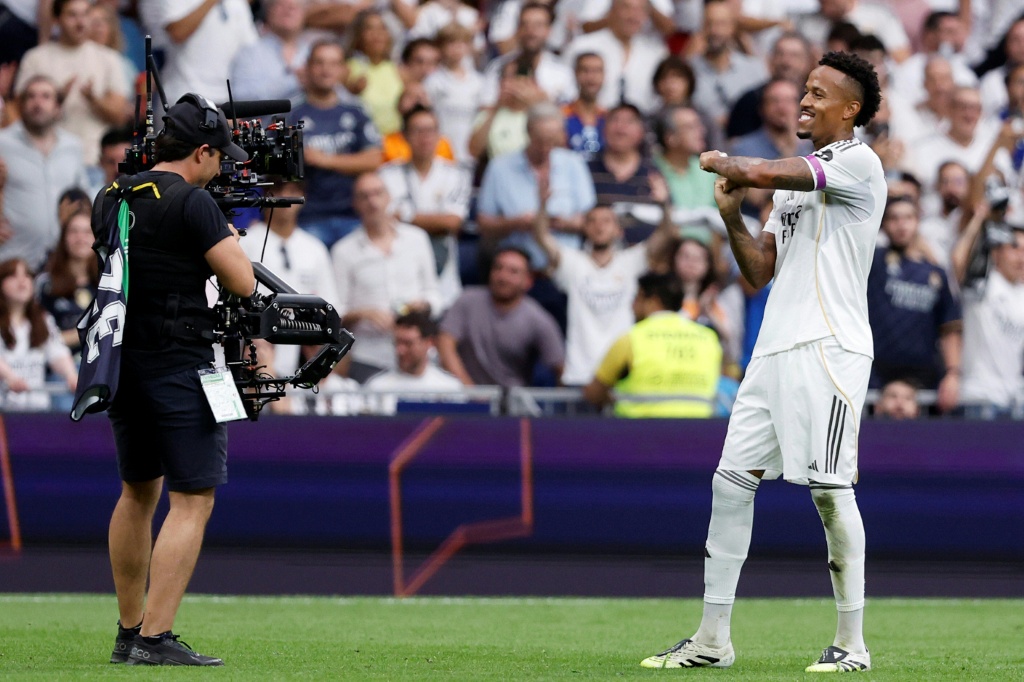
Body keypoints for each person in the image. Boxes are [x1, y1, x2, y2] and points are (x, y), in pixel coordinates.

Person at [641, 51, 885, 672]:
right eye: (804, 90)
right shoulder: (792, 188)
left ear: (851, 108)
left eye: (819, 93)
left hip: (829, 346)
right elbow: (758, 271)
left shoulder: (856, 162)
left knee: (830, 492)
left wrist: (727, 165)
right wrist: (729, 214)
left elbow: (760, 168)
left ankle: (852, 644)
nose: (806, 100)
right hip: (773, 348)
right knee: (730, 483)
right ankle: (713, 639)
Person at [94, 94, 255, 666]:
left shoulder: (110, 194)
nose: (223, 167)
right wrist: (228, 229)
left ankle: (127, 629)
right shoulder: (193, 203)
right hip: (180, 359)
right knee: (192, 498)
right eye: (220, 157)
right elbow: (240, 283)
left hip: (120, 362)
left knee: (137, 490)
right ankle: (155, 639)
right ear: (202, 151)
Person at [331, 171, 441, 383]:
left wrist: (423, 305)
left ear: (389, 197)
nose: (372, 201)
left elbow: (435, 294)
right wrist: (363, 314)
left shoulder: (417, 239)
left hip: (416, 354)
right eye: (364, 196)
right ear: (355, 203)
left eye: (377, 193)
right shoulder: (343, 251)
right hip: (368, 356)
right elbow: (335, 310)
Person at [866, 196, 961, 410]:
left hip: (923, 376)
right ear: (883, 225)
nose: (901, 225)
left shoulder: (936, 273)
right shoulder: (872, 262)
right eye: (894, 218)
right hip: (875, 372)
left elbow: (950, 327)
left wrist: (952, 373)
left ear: (918, 221)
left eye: (908, 218)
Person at [584, 272, 722, 417]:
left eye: (637, 298)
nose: (632, 306)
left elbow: (593, 393)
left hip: (642, 433)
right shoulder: (709, 338)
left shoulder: (631, 339)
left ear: (653, 301)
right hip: (700, 432)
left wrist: (612, 399)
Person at [14, 0, 131, 164]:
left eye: (85, 14)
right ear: (56, 19)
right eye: (72, 15)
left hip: (95, 160)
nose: (80, 22)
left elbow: (120, 116)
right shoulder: (35, 59)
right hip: (48, 159)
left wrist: (94, 100)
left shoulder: (109, 58)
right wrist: (56, 99)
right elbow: (18, 111)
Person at [292, 40, 384, 248]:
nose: (326, 70)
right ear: (307, 67)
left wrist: (324, 160)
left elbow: (374, 159)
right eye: (320, 63)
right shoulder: (291, 114)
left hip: (354, 216)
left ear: (343, 70)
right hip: (308, 217)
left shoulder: (357, 111)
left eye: (334, 64)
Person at [379, 105, 470, 312]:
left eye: (430, 130)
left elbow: (452, 222)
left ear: (439, 135)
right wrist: (433, 221)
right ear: (404, 136)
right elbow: (386, 222)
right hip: (402, 270)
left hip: (444, 273)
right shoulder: (386, 175)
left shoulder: (455, 174)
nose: (425, 137)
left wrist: (406, 216)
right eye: (418, 131)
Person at [437, 245, 564, 387]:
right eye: (498, 268)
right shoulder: (467, 300)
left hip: (512, 403)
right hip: (465, 397)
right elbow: (445, 343)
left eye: (513, 272)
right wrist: (470, 392)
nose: (503, 277)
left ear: (528, 281)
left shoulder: (537, 318)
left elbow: (560, 367)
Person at [0, 75, 89, 271]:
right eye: (31, 96)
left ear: (58, 107)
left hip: (60, 264)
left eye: (46, 96)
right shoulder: (2, 143)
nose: (37, 103)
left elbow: (82, 199)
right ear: (20, 105)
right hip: (13, 261)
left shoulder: (73, 146)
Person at [562, 0, 667, 115]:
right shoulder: (582, 45)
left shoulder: (657, 53)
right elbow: (565, 88)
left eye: (640, 10)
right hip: (590, 122)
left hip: (643, 125)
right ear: (612, 11)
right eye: (626, 8)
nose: (633, 15)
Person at [0, 257, 77, 411]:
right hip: (4, 411)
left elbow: (57, 352)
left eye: (27, 276)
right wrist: (10, 378)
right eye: (13, 276)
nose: (22, 282)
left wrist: (71, 375)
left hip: (37, 409)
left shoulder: (43, 319)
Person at [363, 309, 463, 414]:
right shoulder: (377, 387)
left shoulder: (449, 387)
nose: (400, 350)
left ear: (428, 343)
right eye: (397, 343)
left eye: (408, 343)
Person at [35, 207, 99, 354]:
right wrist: (87, 332)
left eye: (87, 232)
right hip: (60, 370)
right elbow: (39, 338)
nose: (80, 238)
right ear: (64, 238)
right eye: (74, 231)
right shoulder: (46, 284)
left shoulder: (109, 283)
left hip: (100, 368)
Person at [228, 0, 313, 102]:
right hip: (266, 118)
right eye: (281, 5)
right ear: (268, 11)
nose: (289, 10)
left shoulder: (314, 51)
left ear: (304, 14)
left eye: (295, 7)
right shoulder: (250, 53)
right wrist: (294, 81)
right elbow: (242, 98)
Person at [563, 52, 605, 162]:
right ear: (575, 74)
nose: (591, 77)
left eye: (597, 71)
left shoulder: (609, 118)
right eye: (585, 70)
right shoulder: (561, 115)